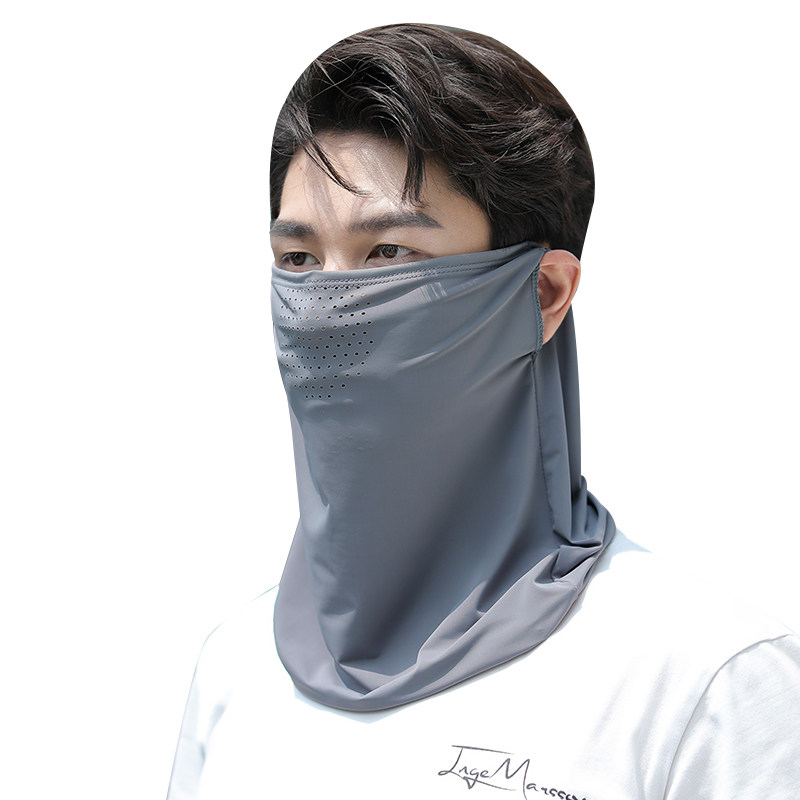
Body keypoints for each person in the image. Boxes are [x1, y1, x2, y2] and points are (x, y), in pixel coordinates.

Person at [167, 23, 800, 799]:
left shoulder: (709, 684)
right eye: (298, 260)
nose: (327, 305)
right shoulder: (237, 668)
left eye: (389, 253)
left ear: (543, 295)